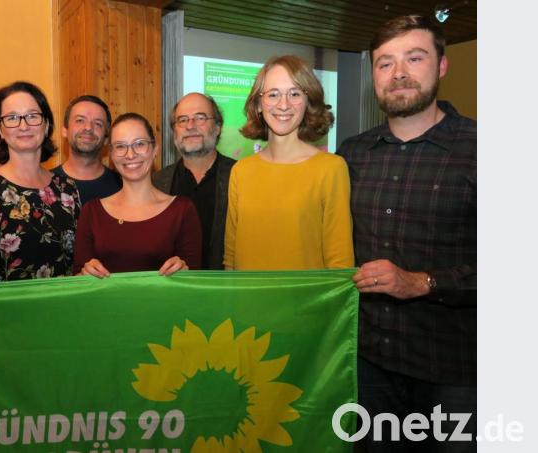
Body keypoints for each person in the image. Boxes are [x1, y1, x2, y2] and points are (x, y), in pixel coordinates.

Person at [337, 15, 476, 452]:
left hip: (454, 374)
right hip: (368, 369)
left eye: (414, 58)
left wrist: (421, 282)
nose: (398, 73)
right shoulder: (352, 154)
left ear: (441, 66)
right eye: (385, 63)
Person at [224, 55, 354, 270]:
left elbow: (340, 262)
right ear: (258, 104)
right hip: (246, 301)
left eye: (294, 94)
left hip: (307, 302)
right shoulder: (241, 171)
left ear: (308, 102)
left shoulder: (331, 169)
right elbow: (231, 257)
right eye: (273, 94)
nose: (283, 105)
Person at [0, 81, 81, 282]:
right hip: (7, 311)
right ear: (0, 129)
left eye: (32, 116)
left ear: (46, 125)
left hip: (65, 308)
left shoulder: (67, 189)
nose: (23, 125)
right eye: (12, 118)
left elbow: (77, 262)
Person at [73, 113, 202, 276]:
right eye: (120, 146)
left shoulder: (182, 210)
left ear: (154, 149)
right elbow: (77, 278)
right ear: (111, 155)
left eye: (139, 144)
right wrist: (85, 274)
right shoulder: (92, 212)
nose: (130, 154)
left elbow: (195, 280)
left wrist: (185, 271)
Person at [153, 92, 236, 269]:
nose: (190, 126)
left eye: (200, 118)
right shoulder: (156, 183)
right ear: (174, 130)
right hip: (173, 292)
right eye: (182, 120)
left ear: (218, 127)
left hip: (226, 290)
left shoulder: (240, 176)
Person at [53, 95, 122, 203]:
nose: (88, 127)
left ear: (106, 138)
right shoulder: (44, 185)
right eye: (80, 120)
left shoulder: (123, 186)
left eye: (98, 123)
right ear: (65, 130)